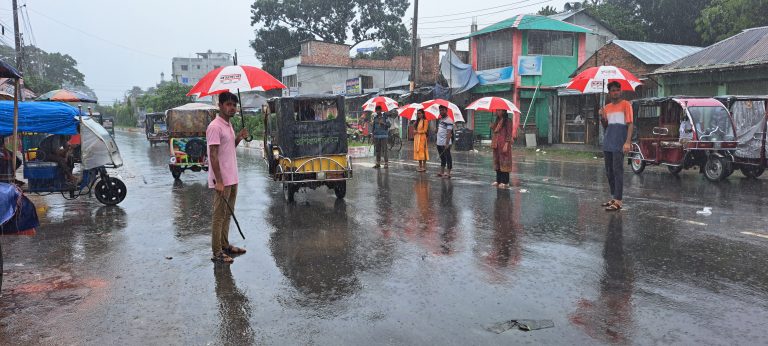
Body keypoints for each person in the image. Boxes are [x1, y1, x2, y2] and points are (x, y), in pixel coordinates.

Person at [207, 91, 250, 263]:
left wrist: (239, 137)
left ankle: (225, 245)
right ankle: (217, 252)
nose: (232, 108)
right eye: (228, 104)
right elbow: (213, 155)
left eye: (234, 105)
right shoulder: (215, 127)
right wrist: (219, 180)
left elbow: (229, 148)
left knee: (227, 215)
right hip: (222, 180)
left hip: (232, 178)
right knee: (218, 216)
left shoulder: (228, 125)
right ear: (220, 105)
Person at [600, 81, 633, 211]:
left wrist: (628, 142)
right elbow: (605, 126)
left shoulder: (626, 105)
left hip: (619, 143)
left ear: (621, 91)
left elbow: (630, 124)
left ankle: (619, 200)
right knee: (609, 172)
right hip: (608, 142)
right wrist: (602, 117)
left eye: (617, 90)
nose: (615, 92)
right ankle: (613, 197)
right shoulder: (606, 107)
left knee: (617, 171)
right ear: (609, 92)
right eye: (613, 90)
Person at [491, 110, 515, 188]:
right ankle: (498, 180)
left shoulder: (508, 121)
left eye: (499, 110)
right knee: (497, 162)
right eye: (497, 110)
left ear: (503, 111)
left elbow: (509, 133)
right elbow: (496, 131)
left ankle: (505, 182)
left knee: (504, 162)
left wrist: (506, 144)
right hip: (496, 144)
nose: (497, 112)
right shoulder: (497, 120)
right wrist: (492, 126)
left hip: (504, 144)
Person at [435, 106, 454, 178]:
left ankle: (448, 173)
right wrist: (436, 130)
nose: (441, 112)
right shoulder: (440, 119)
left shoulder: (449, 120)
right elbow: (439, 130)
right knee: (442, 157)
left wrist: (447, 143)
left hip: (445, 142)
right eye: (440, 110)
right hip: (439, 142)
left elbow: (449, 133)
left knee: (448, 157)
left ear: (446, 110)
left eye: (443, 110)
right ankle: (442, 172)